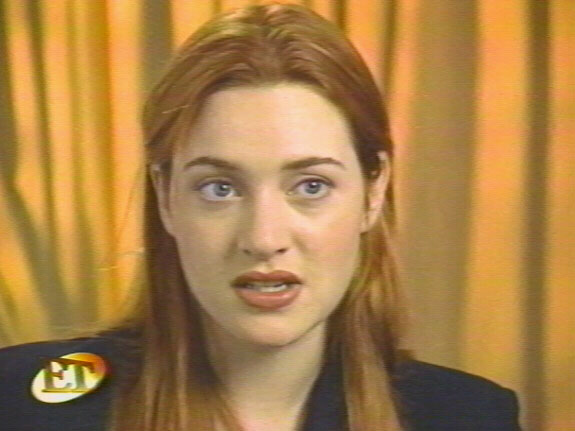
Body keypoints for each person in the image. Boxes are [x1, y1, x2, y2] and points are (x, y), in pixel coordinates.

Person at [0, 3, 521, 430]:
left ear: (373, 191)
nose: (264, 238)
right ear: (165, 198)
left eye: (311, 186)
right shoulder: (19, 404)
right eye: (220, 188)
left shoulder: (466, 416)